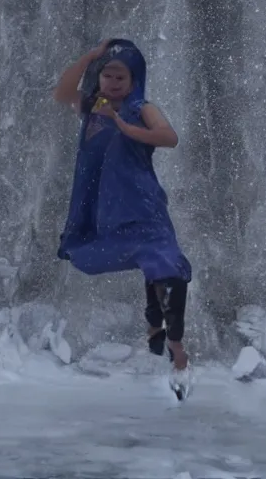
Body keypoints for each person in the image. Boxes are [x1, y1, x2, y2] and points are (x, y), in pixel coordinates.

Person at [52, 39, 192, 384]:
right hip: (110, 211)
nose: (112, 84)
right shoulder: (92, 107)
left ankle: (176, 349)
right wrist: (89, 57)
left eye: (120, 78)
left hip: (143, 205)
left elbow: (169, 137)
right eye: (107, 76)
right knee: (151, 266)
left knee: (165, 267)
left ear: (133, 81)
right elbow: (62, 92)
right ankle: (154, 330)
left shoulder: (142, 107)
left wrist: (127, 127)